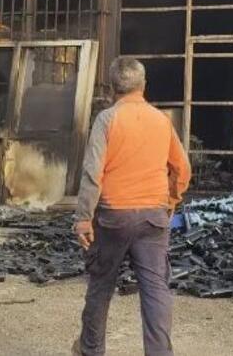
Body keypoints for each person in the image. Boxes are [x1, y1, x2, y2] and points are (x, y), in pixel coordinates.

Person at [73, 57, 191, 356]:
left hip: (113, 217)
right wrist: (171, 202)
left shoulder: (106, 119)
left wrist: (84, 218)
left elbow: (92, 173)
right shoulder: (161, 120)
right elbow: (182, 168)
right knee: (155, 290)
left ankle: (90, 350)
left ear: (112, 87)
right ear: (143, 85)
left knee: (101, 285)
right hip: (154, 216)